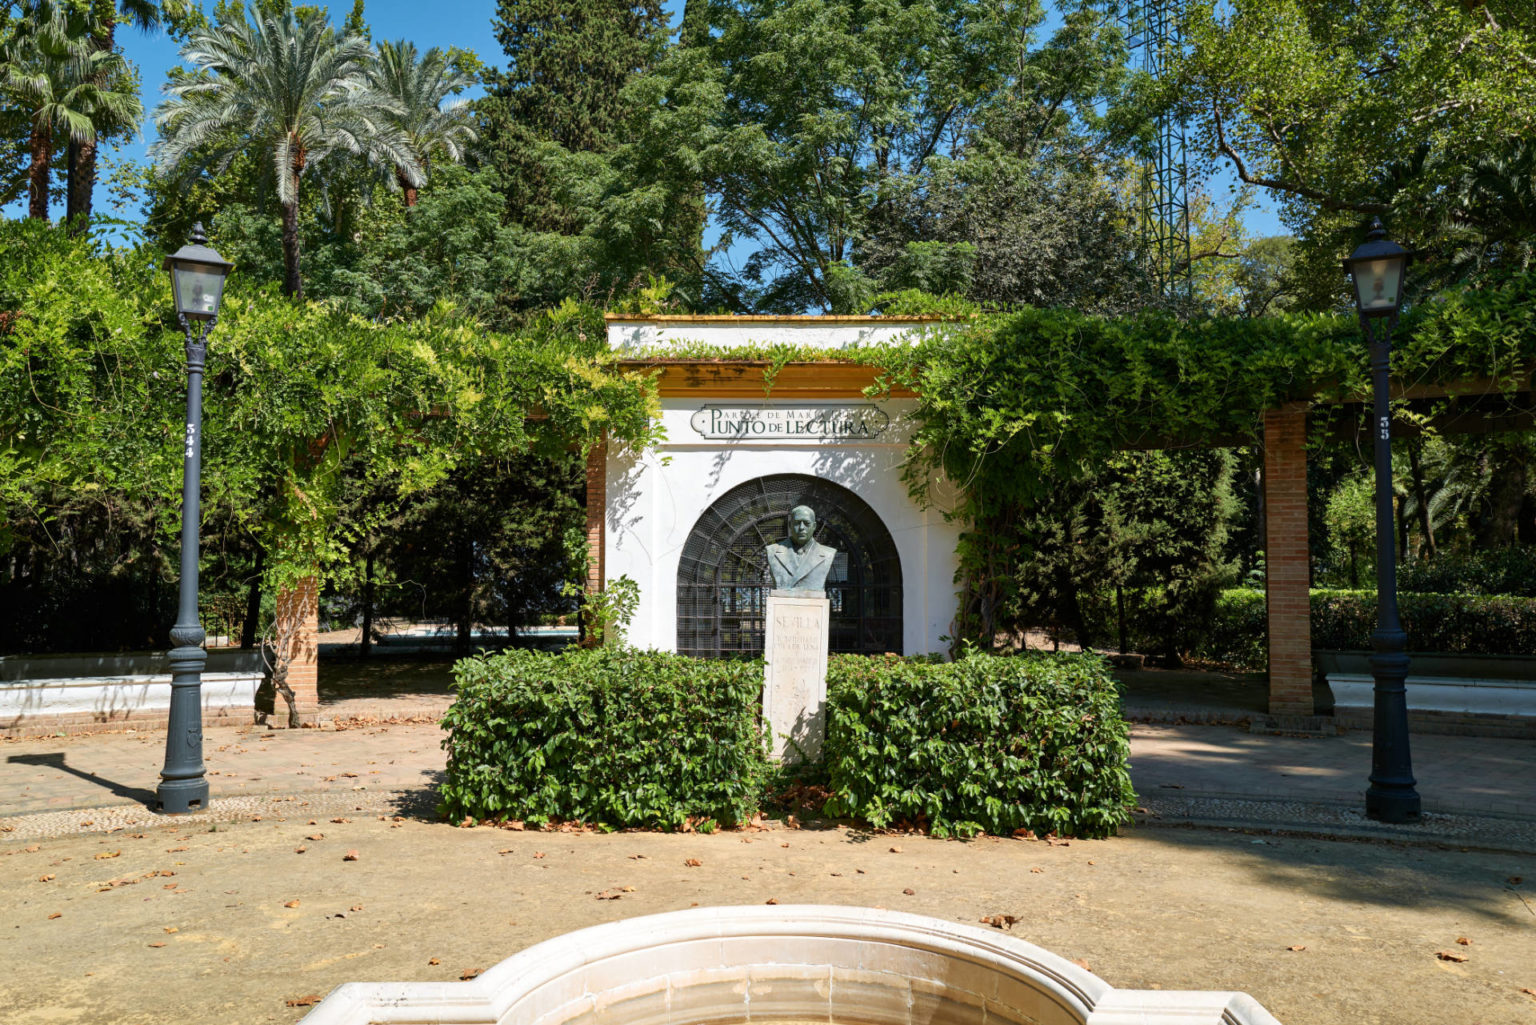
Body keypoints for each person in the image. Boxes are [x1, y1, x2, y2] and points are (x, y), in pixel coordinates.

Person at [764, 505, 836, 593]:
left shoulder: (828, 554)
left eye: (806, 523)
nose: (802, 528)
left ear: (814, 526)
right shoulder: (773, 551)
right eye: (797, 523)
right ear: (790, 525)